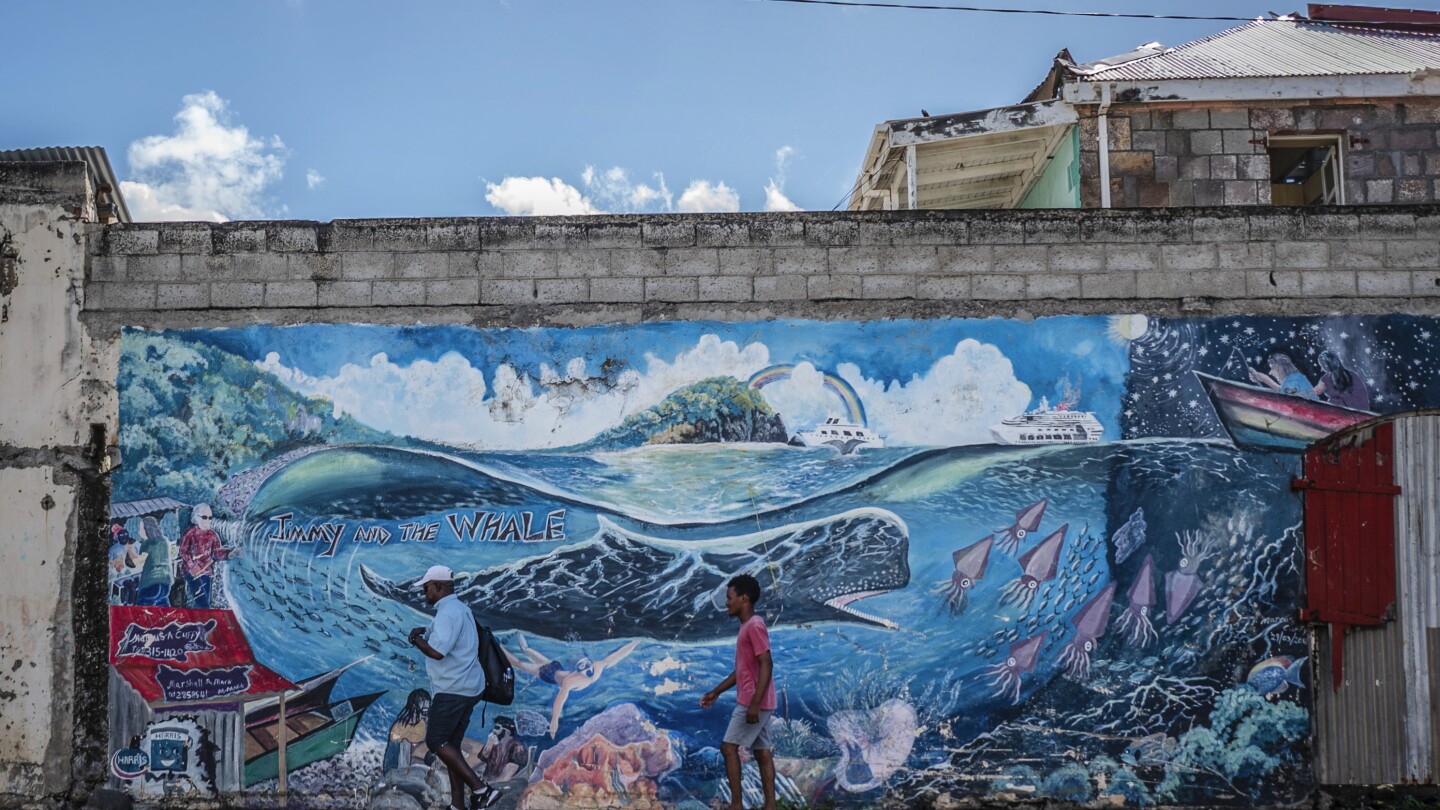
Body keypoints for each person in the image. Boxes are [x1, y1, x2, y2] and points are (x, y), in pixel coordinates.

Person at [407, 565, 501, 810]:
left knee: (436, 741)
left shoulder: (448, 612)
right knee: (452, 749)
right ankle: (458, 806)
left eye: (426, 588)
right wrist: (425, 632)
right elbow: (448, 638)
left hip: (453, 690)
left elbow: (438, 651)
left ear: (438, 586)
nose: (424, 593)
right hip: (469, 688)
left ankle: (482, 790)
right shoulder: (460, 609)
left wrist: (416, 640)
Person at [701, 574, 778, 810]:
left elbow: (766, 662)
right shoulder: (748, 627)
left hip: (753, 701)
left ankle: (736, 805)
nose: (727, 602)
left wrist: (754, 703)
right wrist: (716, 691)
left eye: (729, 597)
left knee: (728, 747)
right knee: (762, 752)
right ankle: (771, 806)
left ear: (744, 599)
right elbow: (742, 670)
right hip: (760, 700)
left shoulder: (754, 626)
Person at [503, 633, 639, 738]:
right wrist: (554, 723)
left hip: (555, 666)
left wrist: (634, 643)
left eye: (587, 664)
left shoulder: (598, 666)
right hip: (548, 674)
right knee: (519, 664)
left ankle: (522, 642)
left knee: (532, 653)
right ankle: (499, 647)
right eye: (582, 667)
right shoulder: (571, 681)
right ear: (577, 669)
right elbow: (560, 700)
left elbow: (617, 656)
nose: (587, 669)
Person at [178, 504, 241, 609]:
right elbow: (183, 550)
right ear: (196, 517)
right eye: (204, 517)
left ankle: (201, 623)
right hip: (192, 572)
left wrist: (231, 553)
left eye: (210, 517)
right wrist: (192, 565)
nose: (208, 520)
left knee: (205, 600)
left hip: (206, 572)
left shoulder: (212, 535)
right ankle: (204, 623)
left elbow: (217, 553)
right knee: (202, 603)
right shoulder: (190, 533)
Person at [383, 689, 432, 772]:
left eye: (428, 712)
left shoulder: (425, 725)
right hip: (401, 771)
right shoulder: (399, 728)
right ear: (414, 708)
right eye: (424, 712)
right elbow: (390, 761)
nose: (427, 716)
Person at [135, 516, 174, 607]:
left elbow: (138, 562)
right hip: (166, 583)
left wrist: (129, 550)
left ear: (147, 530)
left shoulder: (147, 543)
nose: (139, 532)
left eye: (141, 529)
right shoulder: (164, 540)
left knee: (140, 612)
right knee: (165, 611)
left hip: (150, 584)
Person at [475, 716, 529, 783]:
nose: (493, 731)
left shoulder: (517, 747)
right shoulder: (493, 743)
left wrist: (490, 784)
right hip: (487, 782)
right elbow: (483, 758)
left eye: (497, 728)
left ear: (507, 731)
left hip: (501, 785)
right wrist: (489, 744)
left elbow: (506, 776)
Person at [1249, 352, 1317, 400]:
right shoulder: (1294, 378)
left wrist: (1265, 379)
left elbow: (1286, 394)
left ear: (1281, 367)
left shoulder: (1295, 379)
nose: (1270, 372)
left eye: (1272, 368)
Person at [109, 525, 141, 604]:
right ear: (116, 537)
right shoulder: (113, 549)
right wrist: (115, 563)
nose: (124, 537)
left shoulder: (134, 544)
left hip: (135, 573)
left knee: (140, 583)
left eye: (126, 534)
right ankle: (130, 605)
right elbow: (109, 563)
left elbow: (142, 555)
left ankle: (138, 603)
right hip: (122, 576)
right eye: (121, 535)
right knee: (132, 586)